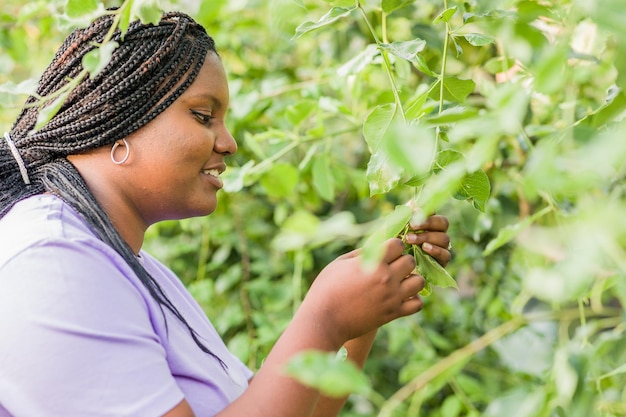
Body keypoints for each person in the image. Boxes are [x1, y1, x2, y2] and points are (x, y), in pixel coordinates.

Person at [0, 10, 451, 417]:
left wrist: (358, 318)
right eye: (202, 115)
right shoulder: (50, 261)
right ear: (120, 121)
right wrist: (323, 319)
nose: (229, 143)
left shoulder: (131, 266)